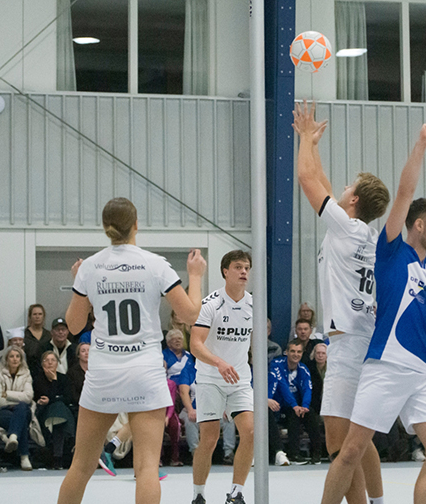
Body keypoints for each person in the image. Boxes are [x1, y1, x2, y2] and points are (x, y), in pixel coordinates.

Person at [320, 123, 426, 504]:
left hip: (421, 371)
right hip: (384, 364)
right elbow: (405, 191)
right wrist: (420, 146)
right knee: (352, 450)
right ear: (418, 226)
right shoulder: (391, 251)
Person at [56, 197, 206, 504]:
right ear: (136, 224)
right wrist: (196, 276)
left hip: (103, 371)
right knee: (148, 467)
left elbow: (72, 326)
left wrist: (79, 284)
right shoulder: (155, 264)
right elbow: (191, 315)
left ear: (105, 228)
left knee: (81, 466)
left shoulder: (90, 267)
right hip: (144, 371)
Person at [292, 99, 390, 504]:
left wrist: (302, 140)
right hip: (362, 339)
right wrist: (314, 142)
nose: (343, 189)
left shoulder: (346, 230)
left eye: (349, 188)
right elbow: (324, 185)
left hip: (348, 345)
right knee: (358, 437)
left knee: (340, 443)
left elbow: (307, 180)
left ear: (353, 203)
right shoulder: (361, 232)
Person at [190, 250, 255, 504]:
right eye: (238, 267)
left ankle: (236, 493)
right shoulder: (210, 304)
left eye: (247, 268)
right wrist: (218, 363)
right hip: (209, 378)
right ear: (225, 271)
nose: (244, 272)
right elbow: (196, 344)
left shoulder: (253, 304)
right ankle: (198, 494)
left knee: (250, 433)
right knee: (210, 439)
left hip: (239, 380)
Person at [267, 341, 322, 465]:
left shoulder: (303, 368)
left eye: (298, 352)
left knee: (308, 413)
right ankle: (293, 454)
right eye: (292, 351)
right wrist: (295, 405)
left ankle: (317, 454)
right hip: (277, 404)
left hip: (292, 406)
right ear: (286, 352)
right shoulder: (277, 365)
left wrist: (305, 406)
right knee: (294, 413)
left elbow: (308, 388)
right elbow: (282, 386)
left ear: (302, 354)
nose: (295, 354)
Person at [0, 345, 39, 471]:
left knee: (21, 408)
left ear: (21, 359)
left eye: (17, 356)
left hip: (22, 410)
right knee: (20, 420)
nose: (15, 359)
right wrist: (14, 401)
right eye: (11, 356)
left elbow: (28, 397)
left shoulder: (26, 374)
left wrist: (7, 394)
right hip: (1, 411)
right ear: (6, 359)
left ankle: (13, 437)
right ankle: (24, 457)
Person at [34, 350, 76, 468]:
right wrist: (54, 382)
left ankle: (57, 457)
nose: (50, 363)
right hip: (45, 412)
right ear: (42, 364)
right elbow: (43, 396)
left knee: (59, 415)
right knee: (59, 409)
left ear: (58, 363)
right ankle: (67, 447)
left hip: (62, 412)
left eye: (53, 360)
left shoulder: (64, 378)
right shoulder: (38, 379)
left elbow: (68, 398)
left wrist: (52, 399)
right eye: (46, 360)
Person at [24, 304, 50, 373]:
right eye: (34, 314)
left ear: (43, 316)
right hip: (28, 371)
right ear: (30, 317)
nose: (37, 317)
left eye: (40, 314)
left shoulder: (49, 335)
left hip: (46, 371)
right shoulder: (24, 335)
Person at [309, 343, 327, 417]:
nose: (320, 355)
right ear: (314, 354)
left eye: (323, 353)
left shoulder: (332, 369)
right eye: (318, 353)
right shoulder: (309, 368)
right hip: (314, 402)